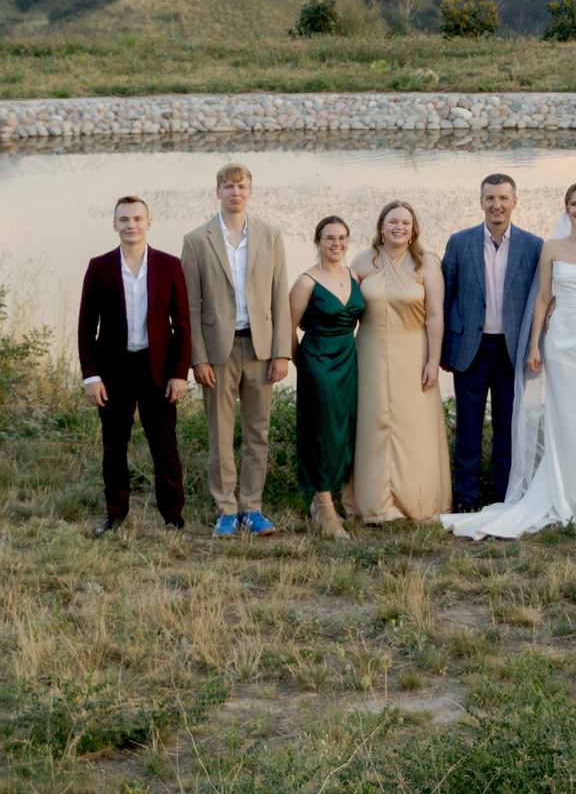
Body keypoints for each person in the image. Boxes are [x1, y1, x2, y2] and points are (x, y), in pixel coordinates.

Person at [444, 181, 576, 541]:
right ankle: (564, 494)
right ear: (566, 207)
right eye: (574, 204)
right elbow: (541, 299)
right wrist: (535, 344)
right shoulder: (550, 248)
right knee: (563, 420)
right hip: (561, 343)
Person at [181, 163, 293, 538]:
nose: (235, 192)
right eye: (228, 186)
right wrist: (198, 357)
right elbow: (191, 306)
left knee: (258, 431)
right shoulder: (197, 240)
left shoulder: (271, 235)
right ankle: (225, 509)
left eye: (241, 186)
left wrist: (281, 352)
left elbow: (280, 295)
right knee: (221, 433)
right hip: (218, 351)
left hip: (260, 347)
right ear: (217, 192)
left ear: (250, 191)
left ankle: (252, 507)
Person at [76, 196, 192, 534]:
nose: (131, 225)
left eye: (138, 219)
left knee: (165, 445)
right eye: (124, 219)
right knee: (114, 445)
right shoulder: (99, 266)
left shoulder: (169, 265)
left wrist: (179, 374)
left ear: (149, 223)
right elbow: (86, 326)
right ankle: (115, 513)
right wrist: (91, 376)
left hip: (157, 369)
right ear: (114, 224)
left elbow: (183, 324)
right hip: (114, 371)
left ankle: (173, 516)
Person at [440, 172, 544, 512]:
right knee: (467, 428)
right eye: (490, 198)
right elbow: (446, 295)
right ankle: (466, 498)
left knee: (508, 426)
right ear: (481, 201)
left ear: (515, 202)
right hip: (470, 348)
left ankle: (505, 495)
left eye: (503, 198)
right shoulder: (460, 242)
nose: (496, 204)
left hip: (511, 350)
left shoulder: (534, 246)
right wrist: (443, 349)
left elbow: (540, 300)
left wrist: (535, 346)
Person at [351, 201, 453, 524]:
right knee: (372, 424)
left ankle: (417, 503)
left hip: (413, 352)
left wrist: (433, 361)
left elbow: (436, 315)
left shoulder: (426, 264)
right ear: (381, 226)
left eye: (405, 223)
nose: (399, 227)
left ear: (413, 229)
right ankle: (375, 503)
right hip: (369, 352)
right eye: (392, 221)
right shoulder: (362, 261)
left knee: (414, 429)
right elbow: (343, 306)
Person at [291, 215, 365, 540]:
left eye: (342, 237)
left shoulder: (354, 276)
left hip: (348, 360)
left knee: (342, 429)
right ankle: (326, 510)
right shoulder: (307, 281)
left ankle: (322, 502)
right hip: (317, 362)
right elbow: (289, 327)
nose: (337, 244)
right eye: (329, 238)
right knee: (321, 432)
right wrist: (304, 366)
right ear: (317, 241)